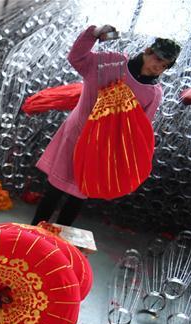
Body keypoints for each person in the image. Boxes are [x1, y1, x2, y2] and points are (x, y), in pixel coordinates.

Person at [31, 26, 180, 226]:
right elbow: (77, 58)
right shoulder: (111, 62)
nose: (158, 67)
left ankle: (57, 245)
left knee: (80, 195)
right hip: (76, 134)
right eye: (158, 59)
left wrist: (122, 155)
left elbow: (138, 129)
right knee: (54, 190)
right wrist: (92, 34)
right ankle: (31, 235)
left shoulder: (153, 93)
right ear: (147, 51)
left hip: (103, 147)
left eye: (165, 66)